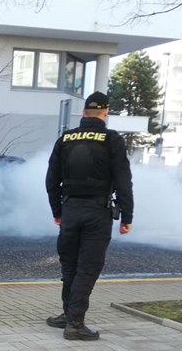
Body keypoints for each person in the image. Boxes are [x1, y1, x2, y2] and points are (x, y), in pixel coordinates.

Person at [45, 91, 134, 341]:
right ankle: (74, 323)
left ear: (84, 112)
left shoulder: (66, 138)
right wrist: (127, 215)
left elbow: (51, 179)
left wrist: (57, 211)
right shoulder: (111, 139)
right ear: (105, 113)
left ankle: (67, 314)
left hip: (70, 209)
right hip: (97, 213)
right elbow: (123, 180)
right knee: (87, 268)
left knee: (70, 266)